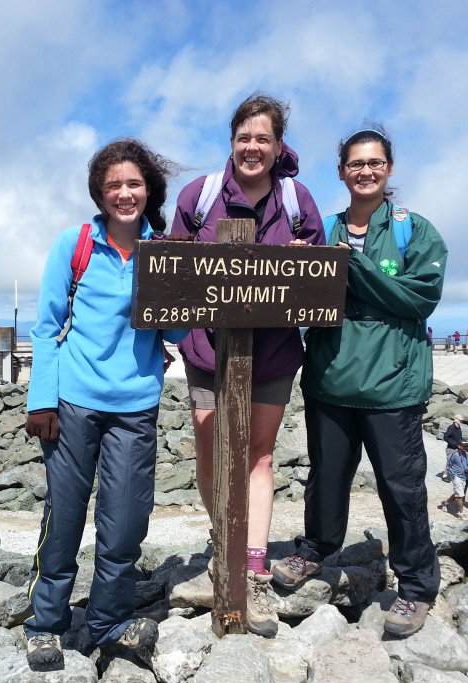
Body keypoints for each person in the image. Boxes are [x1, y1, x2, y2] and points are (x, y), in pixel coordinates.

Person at [271, 125, 447, 638]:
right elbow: (295, 296)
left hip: (393, 384)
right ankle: (316, 549)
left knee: (402, 486)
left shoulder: (417, 230)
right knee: (326, 477)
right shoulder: (321, 229)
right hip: (330, 378)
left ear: (388, 168)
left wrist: (348, 268)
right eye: (355, 164)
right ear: (342, 171)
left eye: (374, 163)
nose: (365, 171)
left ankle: (415, 585)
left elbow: (418, 299)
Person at [23, 139, 188, 671]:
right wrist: (41, 400)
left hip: (136, 404)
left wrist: (181, 295)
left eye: (134, 184)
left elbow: (178, 330)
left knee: (123, 523)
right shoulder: (74, 245)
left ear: (149, 191)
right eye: (114, 184)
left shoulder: (160, 251)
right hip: (72, 403)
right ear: (99, 191)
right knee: (65, 515)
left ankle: (109, 621)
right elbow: (47, 328)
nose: (124, 193)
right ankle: (45, 623)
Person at [171, 93, 324, 637]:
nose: (252, 147)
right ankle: (224, 550)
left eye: (263, 138)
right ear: (231, 142)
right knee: (212, 452)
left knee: (259, 456)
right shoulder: (201, 193)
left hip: (274, 352)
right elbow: (172, 270)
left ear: (278, 144)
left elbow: (320, 279)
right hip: (210, 353)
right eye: (244, 138)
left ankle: (252, 569)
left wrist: (305, 261)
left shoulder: (296, 197)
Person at [441, 442, 468, 518]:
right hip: (456, 477)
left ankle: (445, 503)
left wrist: (467, 470)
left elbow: (465, 464)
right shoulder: (453, 454)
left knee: (458, 493)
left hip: (463, 476)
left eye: (466, 446)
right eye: (464, 446)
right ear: (459, 446)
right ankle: (461, 513)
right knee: (460, 495)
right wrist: (453, 475)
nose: (466, 448)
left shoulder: (465, 454)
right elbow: (448, 465)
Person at [442, 416, 463, 481]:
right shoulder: (451, 428)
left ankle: (454, 475)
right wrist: (454, 444)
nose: (461, 421)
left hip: (457, 448)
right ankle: (444, 476)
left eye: (462, 420)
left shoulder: (459, 428)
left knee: (456, 462)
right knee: (449, 462)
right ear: (455, 420)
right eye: (460, 420)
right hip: (451, 448)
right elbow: (446, 437)